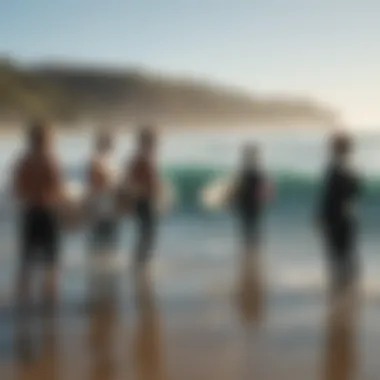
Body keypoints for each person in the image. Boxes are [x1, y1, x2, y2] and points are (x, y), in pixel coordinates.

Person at [13, 120, 65, 307]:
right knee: (51, 256)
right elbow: (57, 188)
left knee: (27, 256)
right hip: (46, 211)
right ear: (46, 140)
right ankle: (49, 295)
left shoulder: (24, 162)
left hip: (30, 211)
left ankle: (23, 295)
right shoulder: (50, 161)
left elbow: (18, 189)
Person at [316, 132, 362, 294]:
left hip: (335, 217)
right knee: (348, 253)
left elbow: (328, 197)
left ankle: (340, 290)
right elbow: (357, 192)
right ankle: (351, 289)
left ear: (334, 149)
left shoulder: (334, 169)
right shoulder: (353, 169)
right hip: (350, 215)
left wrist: (320, 217)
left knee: (336, 254)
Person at [124, 126, 160, 269]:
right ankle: (140, 263)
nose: (155, 145)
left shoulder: (142, 158)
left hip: (144, 200)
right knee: (147, 232)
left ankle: (141, 262)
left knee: (147, 232)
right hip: (143, 201)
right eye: (153, 142)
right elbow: (132, 181)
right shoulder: (141, 159)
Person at [231, 143, 273, 253]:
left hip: (250, 202)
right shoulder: (252, 170)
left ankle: (251, 252)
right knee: (250, 228)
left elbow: (262, 186)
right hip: (249, 202)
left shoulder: (251, 170)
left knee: (250, 227)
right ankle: (251, 252)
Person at [86, 131, 119, 257]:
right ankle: (100, 270)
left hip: (107, 208)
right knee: (102, 242)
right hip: (101, 209)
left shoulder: (108, 161)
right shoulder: (98, 161)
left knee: (106, 242)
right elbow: (98, 183)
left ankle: (102, 270)